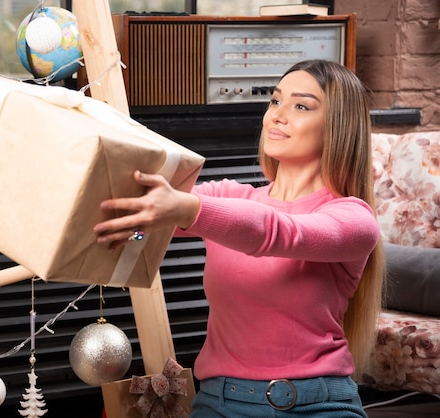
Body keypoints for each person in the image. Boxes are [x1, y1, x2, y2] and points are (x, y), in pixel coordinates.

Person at [93, 59, 385, 417]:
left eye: (300, 106)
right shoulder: (231, 198)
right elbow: (152, 218)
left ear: (337, 127)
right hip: (219, 403)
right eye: (275, 101)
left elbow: (276, 232)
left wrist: (185, 209)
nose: (277, 115)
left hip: (318, 404)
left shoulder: (354, 219)